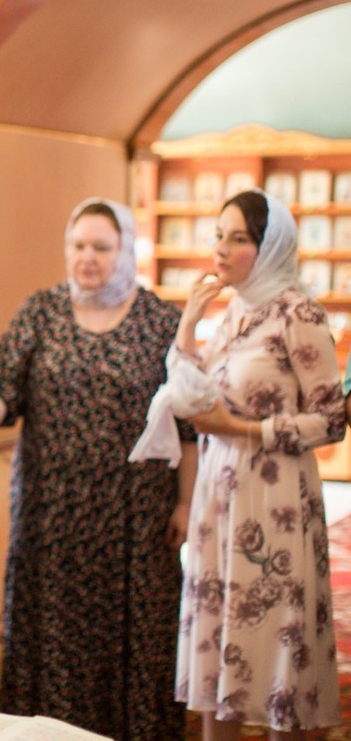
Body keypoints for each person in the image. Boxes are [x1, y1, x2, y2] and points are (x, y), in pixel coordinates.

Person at [0, 198, 195, 741]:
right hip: (52, 519)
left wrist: (185, 503)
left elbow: (188, 425)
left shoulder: (162, 322)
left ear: (127, 251)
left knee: (136, 643)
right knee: (54, 644)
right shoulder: (41, 311)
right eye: (78, 246)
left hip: (138, 520)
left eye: (102, 247)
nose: (88, 258)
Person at [174, 190, 344, 740]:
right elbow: (191, 395)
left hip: (275, 506)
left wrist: (243, 430)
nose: (220, 249)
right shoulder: (235, 310)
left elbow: (333, 418)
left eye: (238, 238)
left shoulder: (298, 311)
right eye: (218, 235)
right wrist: (188, 325)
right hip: (220, 498)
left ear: (270, 247)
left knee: (278, 657)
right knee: (222, 645)